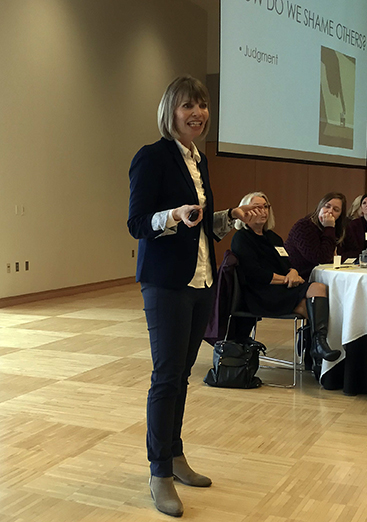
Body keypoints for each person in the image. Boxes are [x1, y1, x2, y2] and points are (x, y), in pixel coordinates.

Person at [127, 75, 261, 517]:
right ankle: (159, 472)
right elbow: (138, 223)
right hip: (165, 282)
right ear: (171, 112)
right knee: (166, 377)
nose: (198, 114)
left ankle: (176, 454)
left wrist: (230, 217)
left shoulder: (199, 161)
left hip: (201, 281)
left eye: (202, 106)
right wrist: (173, 214)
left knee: (182, 376)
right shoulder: (153, 157)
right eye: (188, 106)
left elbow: (201, 224)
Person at [231, 192, 341, 362]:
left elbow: (286, 263)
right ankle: (317, 351)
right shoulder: (241, 238)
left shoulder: (273, 237)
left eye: (265, 207)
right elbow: (254, 273)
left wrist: (293, 272)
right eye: (257, 207)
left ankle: (318, 346)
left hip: (282, 288)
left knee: (319, 287)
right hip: (259, 293)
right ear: (245, 210)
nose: (263, 211)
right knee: (309, 308)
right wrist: (285, 279)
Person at [285, 192, 348, 280]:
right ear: (320, 207)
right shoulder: (304, 226)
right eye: (327, 206)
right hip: (298, 276)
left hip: (323, 275)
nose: (330, 211)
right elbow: (321, 258)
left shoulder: (336, 229)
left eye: (336, 210)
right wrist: (329, 227)